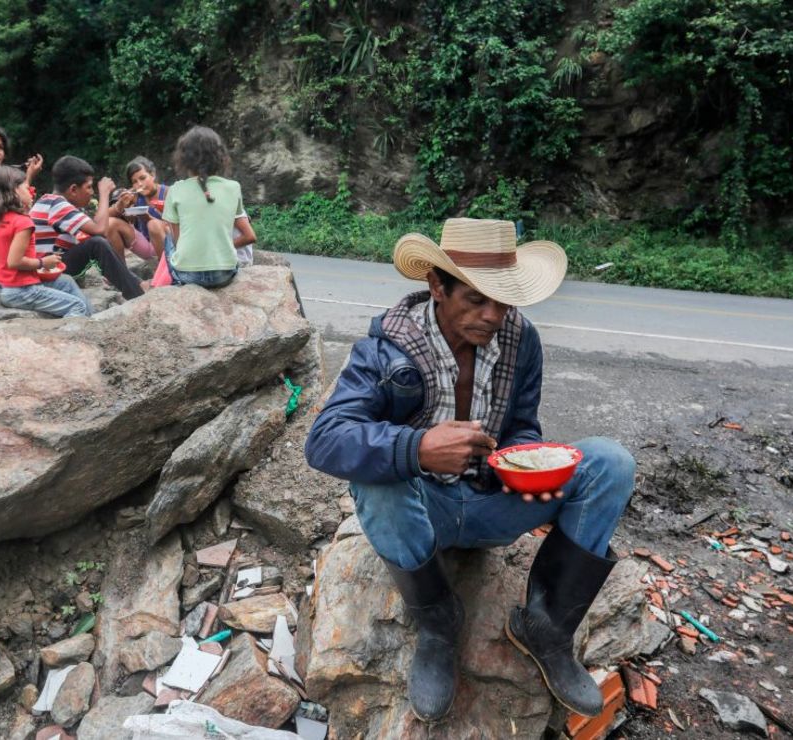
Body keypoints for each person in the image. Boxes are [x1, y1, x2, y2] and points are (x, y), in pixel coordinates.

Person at [305, 218, 636, 723]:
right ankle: (439, 623)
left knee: (610, 463)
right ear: (437, 286)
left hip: (491, 504)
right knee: (377, 484)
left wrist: (520, 463)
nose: (493, 316)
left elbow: (524, 424)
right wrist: (416, 448)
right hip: (425, 515)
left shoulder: (522, 342)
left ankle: (546, 628)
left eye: (503, 302)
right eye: (476, 300)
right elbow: (325, 439)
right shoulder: (387, 349)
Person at [0, 165, 91, 318]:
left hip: (4, 289)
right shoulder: (23, 222)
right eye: (26, 187)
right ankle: (66, 339)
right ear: (14, 191)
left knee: (66, 281)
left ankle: (93, 321)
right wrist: (43, 262)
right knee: (77, 306)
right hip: (23, 290)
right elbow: (15, 261)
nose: (31, 191)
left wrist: (7, 264)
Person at [29, 156, 145, 300]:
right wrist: (104, 193)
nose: (92, 192)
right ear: (73, 189)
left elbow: (94, 224)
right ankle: (136, 293)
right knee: (97, 244)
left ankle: (135, 284)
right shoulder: (58, 205)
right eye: (89, 187)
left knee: (95, 242)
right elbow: (100, 230)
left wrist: (118, 206)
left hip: (47, 266)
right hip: (45, 269)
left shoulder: (50, 201)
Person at [161, 126, 256, 288]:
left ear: (183, 159)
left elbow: (178, 242)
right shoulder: (233, 187)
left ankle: (176, 283)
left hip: (188, 275)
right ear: (220, 157)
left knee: (167, 236)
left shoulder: (175, 190)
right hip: (225, 274)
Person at [121, 156, 171, 259]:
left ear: (152, 175)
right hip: (146, 245)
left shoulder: (168, 193)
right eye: (135, 182)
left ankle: (166, 267)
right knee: (113, 223)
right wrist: (123, 206)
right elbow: (128, 220)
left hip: (168, 244)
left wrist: (149, 218)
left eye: (143, 178)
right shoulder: (134, 196)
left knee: (153, 224)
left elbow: (176, 227)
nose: (139, 184)